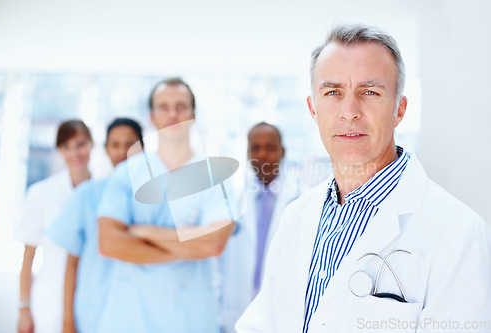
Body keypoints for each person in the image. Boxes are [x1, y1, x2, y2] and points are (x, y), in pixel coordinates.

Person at [236, 24, 491, 333]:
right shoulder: (296, 218)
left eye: (370, 92)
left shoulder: (459, 234)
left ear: (399, 109)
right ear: (313, 109)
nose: (349, 112)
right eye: (333, 92)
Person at [96, 78, 235, 333]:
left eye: (181, 106)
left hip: (190, 320)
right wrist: (188, 246)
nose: (173, 113)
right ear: (152, 117)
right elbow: (109, 243)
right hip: (129, 319)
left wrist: (144, 232)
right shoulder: (127, 173)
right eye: (163, 107)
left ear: (193, 116)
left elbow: (214, 244)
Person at [46, 118, 144, 333]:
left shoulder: (158, 199)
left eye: (130, 144)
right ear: (106, 150)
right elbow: (71, 264)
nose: (122, 152)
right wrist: (67, 323)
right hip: (93, 313)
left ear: (143, 148)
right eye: (114, 145)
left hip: (140, 315)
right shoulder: (87, 195)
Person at [219, 122, 300, 333]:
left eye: (270, 147)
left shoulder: (300, 201)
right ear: (247, 153)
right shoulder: (232, 200)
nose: (262, 154)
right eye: (255, 148)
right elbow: (217, 264)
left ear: (282, 152)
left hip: (280, 314)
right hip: (237, 311)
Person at [16, 120, 93, 333]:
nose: (74, 153)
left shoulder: (103, 191)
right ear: (59, 151)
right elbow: (28, 257)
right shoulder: (41, 193)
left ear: (91, 144)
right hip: (50, 301)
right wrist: (24, 309)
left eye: (80, 144)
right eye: (66, 147)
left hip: (91, 298)